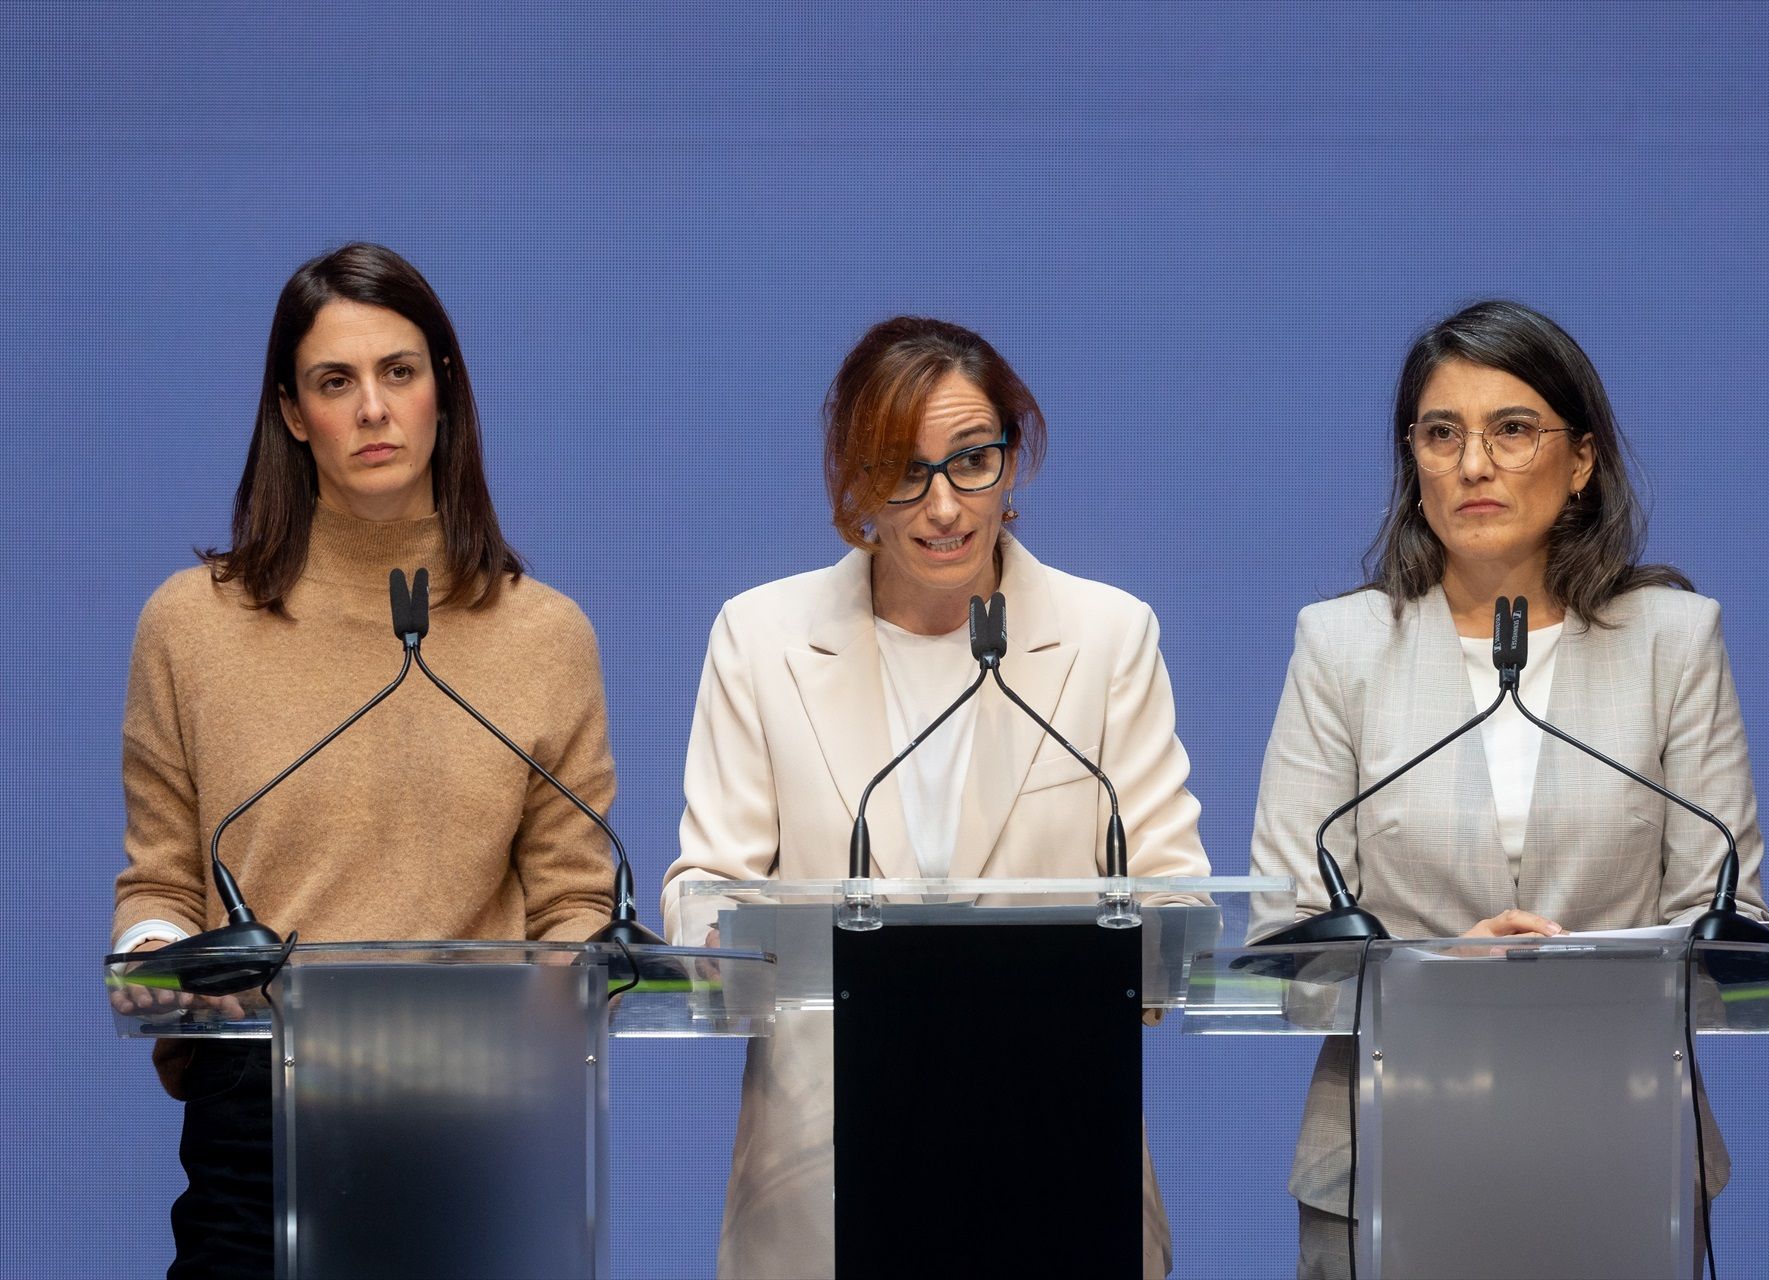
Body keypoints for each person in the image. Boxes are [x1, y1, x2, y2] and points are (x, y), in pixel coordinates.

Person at [661, 315, 1210, 1278]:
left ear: (1014, 460)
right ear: (854, 482)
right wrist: (715, 937)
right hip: (821, 1178)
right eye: (902, 471)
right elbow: (706, 880)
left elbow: (1172, 895)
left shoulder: (1108, 636)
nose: (944, 505)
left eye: (971, 461)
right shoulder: (758, 638)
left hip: (1056, 1158)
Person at [109, 242, 617, 1279]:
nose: (374, 408)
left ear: (443, 395)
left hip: (480, 1117)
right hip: (260, 1119)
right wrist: (158, 958)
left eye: (400, 372)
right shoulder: (189, 625)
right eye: (336, 382)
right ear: (293, 413)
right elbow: (161, 878)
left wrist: (573, 977)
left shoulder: (544, 633)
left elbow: (576, 899)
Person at [1250, 299, 1769, 1279]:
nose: (1473, 464)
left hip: (1621, 1148)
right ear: (1413, 459)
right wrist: (1443, 966)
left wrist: (1572, 965)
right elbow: (1291, 939)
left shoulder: (1673, 639)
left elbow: (1726, 921)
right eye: (1440, 433)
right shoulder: (1342, 645)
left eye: (1512, 429)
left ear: (1580, 460)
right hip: (1383, 1155)